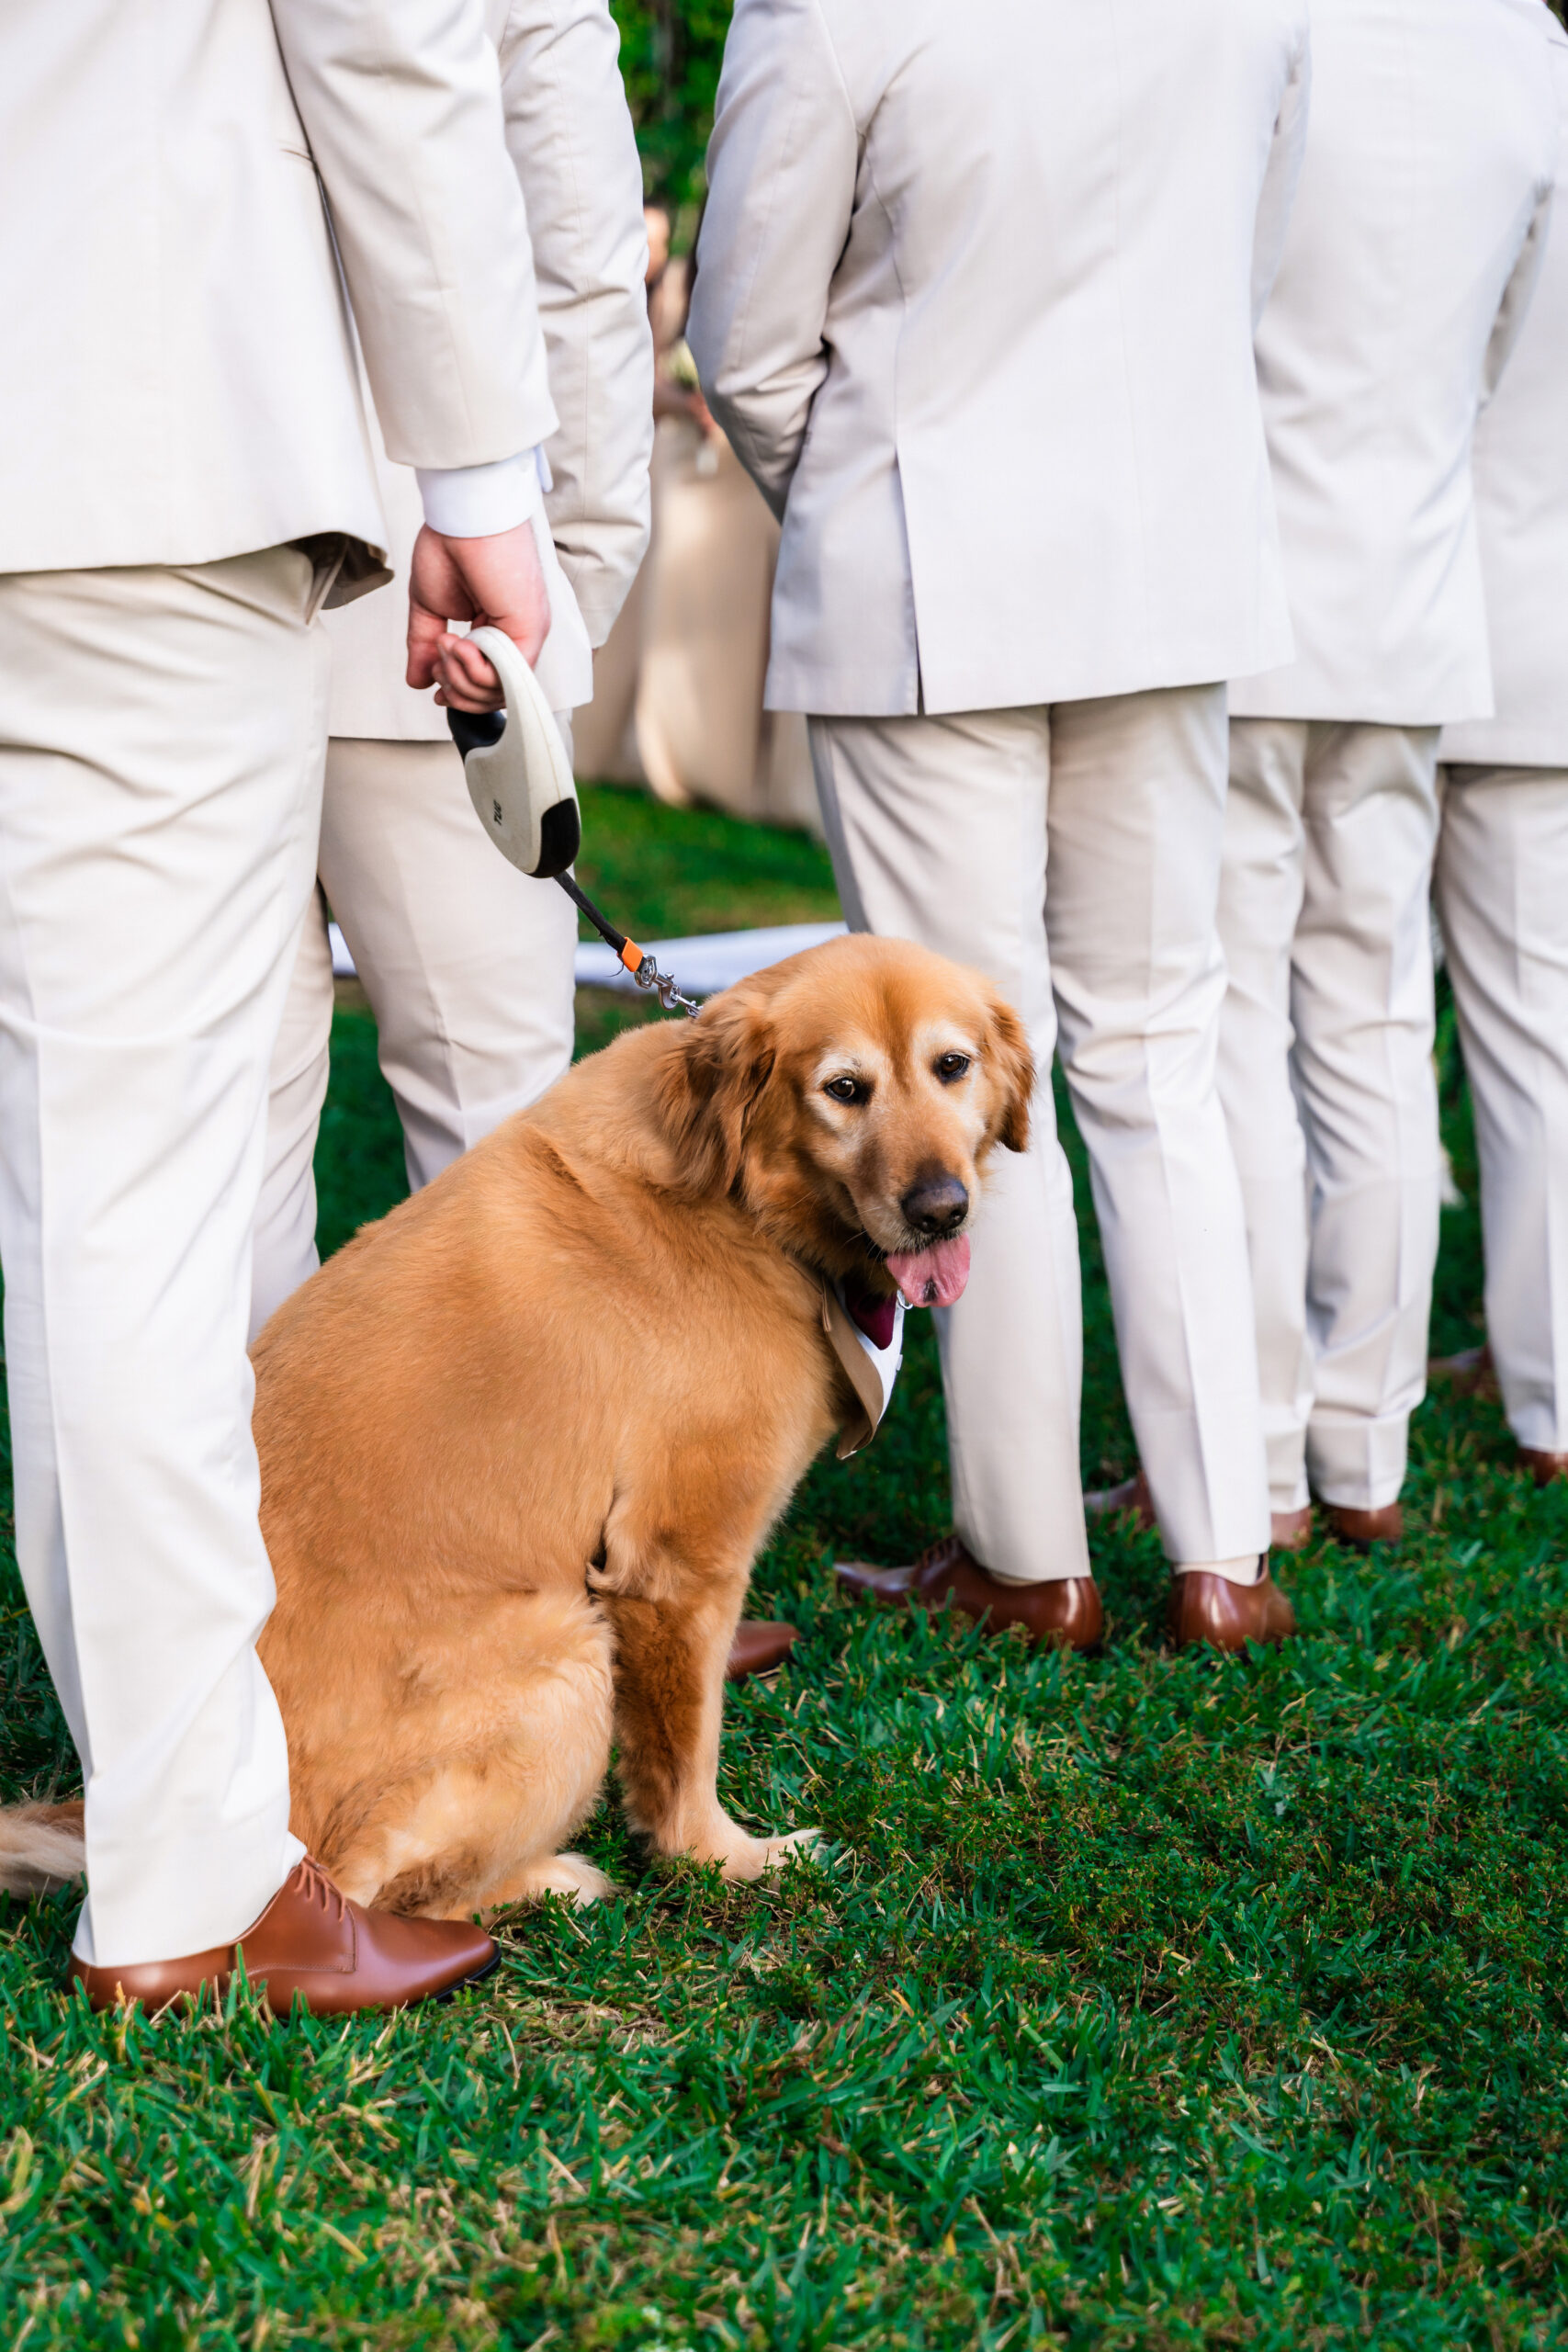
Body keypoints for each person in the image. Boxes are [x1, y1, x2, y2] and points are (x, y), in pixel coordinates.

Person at [0, 0, 587, 2011]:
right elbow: (391, 29)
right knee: (140, 1175)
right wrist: (481, 469)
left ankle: (161, 1773)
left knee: (66, 1158)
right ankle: (187, 1871)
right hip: (130, 418)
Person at [691, 0, 1311, 1654]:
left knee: (951, 1074)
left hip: (929, 578)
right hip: (1173, 569)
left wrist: (871, 503)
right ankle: (1224, 1553)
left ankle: (1030, 1558)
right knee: (1159, 1047)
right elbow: (1248, 270)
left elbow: (744, 338)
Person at [1213, 0, 1562, 1555]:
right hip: (1414, 610)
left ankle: (1257, 1458)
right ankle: (1367, 1453)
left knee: (1225, 1045)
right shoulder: (1529, 58)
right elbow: (1503, 354)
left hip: (1246, 603)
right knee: (1370, 1031)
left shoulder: (1249, 31)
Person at [252, 0, 654, 1340]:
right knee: (502, 1148)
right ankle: (524, 1536)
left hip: (196, 555)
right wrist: (572, 577)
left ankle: (258, 1529)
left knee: (219, 1139)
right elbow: (579, 246)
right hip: (452, 598)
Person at [1431, 33, 1568, 1494]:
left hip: (1452, 611)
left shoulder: (1473, 71)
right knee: (1534, 1029)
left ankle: (1370, 1378)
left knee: (1338, 1030)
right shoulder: (1528, 64)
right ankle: (1545, 1369)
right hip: (1535, 630)